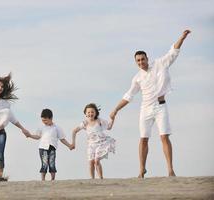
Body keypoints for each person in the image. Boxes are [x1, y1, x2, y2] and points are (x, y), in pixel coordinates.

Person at [109, 30, 191, 178]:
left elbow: (173, 52)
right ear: (136, 62)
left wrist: (182, 37)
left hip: (161, 107)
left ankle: (170, 170)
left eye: (142, 59)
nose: (141, 62)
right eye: (138, 60)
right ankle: (142, 170)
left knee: (164, 137)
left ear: (147, 58)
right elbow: (128, 96)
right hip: (145, 109)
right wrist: (116, 110)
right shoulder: (137, 78)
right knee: (143, 139)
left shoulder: (160, 64)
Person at [27, 108, 73, 181]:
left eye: (45, 120)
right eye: (42, 120)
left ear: (51, 118)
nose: (44, 122)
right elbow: (37, 136)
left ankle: (52, 179)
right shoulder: (41, 127)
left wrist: (69, 145)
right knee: (44, 163)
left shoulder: (57, 128)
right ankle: (43, 180)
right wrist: (30, 135)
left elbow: (62, 139)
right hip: (43, 148)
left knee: (52, 163)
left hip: (52, 148)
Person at [71, 103, 115, 179]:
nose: (90, 114)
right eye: (88, 112)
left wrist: (112, 118)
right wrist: (73, 143)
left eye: (92, 112)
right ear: (85, 113)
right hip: (91, 145)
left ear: (95, 113)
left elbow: (109, 127)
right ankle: (92, 179)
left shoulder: (99, 121)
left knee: (97, 161)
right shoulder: (84, 123)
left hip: (101, 143)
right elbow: (74, 131)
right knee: (91, 162)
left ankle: (101, 178)